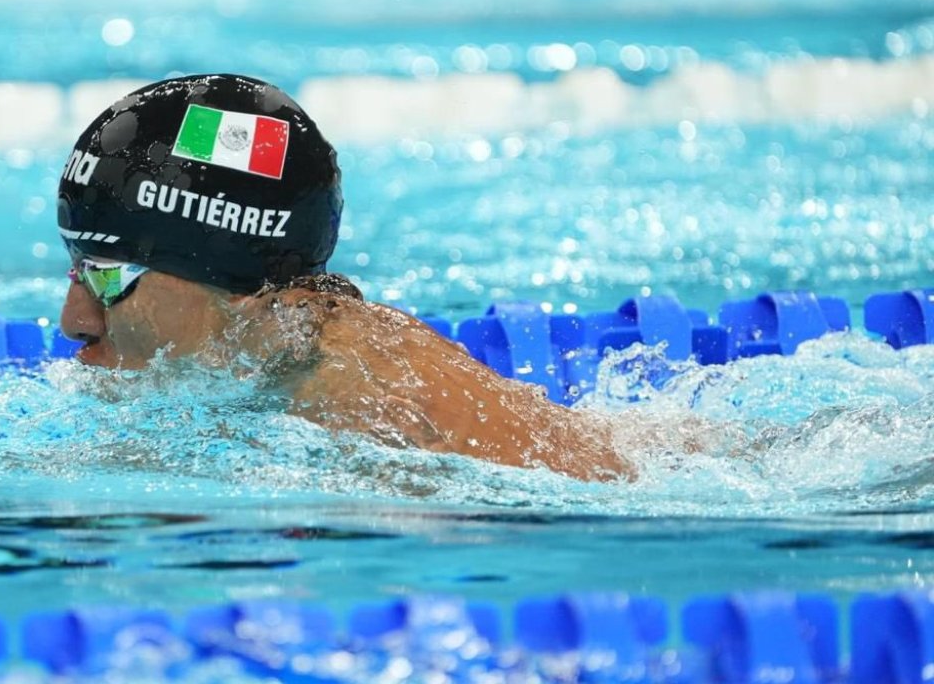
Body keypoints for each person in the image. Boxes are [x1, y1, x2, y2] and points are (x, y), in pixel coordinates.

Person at [56, 74, 625, 481]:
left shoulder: (378, 414)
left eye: (110, 276)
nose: (74, 322)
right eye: (77, 268)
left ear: (250, 296)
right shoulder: (278, 368)